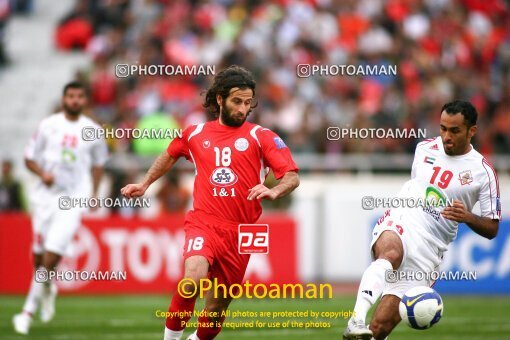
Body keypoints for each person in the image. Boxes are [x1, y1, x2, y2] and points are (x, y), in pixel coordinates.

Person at [121, 65, 300, 340]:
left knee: (216, 311)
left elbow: (291, 175)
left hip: (243, 231)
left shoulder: (260, 136)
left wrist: (275, 190)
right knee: (192, 280)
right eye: (237, 101)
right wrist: (145, 183)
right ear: (220, 99)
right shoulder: (195, 134)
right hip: (204, 221)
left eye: (248, 103)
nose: (243, 109)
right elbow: (170, 153)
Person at [343, 100, 501, 340]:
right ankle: (356, 319)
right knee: (391, 255)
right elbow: (416, 186)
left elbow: (492, 228)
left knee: (380, 329)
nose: (446, 136)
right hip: (404, 220)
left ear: (472, 131)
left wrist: (467, 216)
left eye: (455, 131)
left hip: (430, 249)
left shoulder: (484, 172)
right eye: (443, 128)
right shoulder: (424, 148)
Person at [13, 81, 108, 335]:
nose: (75, 100)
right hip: (45, 199)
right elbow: (28, 158)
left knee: (51, 257)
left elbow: (99, 164)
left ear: (85, 100)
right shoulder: (48, 126)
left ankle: (26, 312)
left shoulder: (93, 131)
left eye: (80, 96)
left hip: (73, 200)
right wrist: (42, 173)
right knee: (39, 258)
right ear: (64, 99)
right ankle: (47, 288)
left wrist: (94, 195)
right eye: (71, 96)